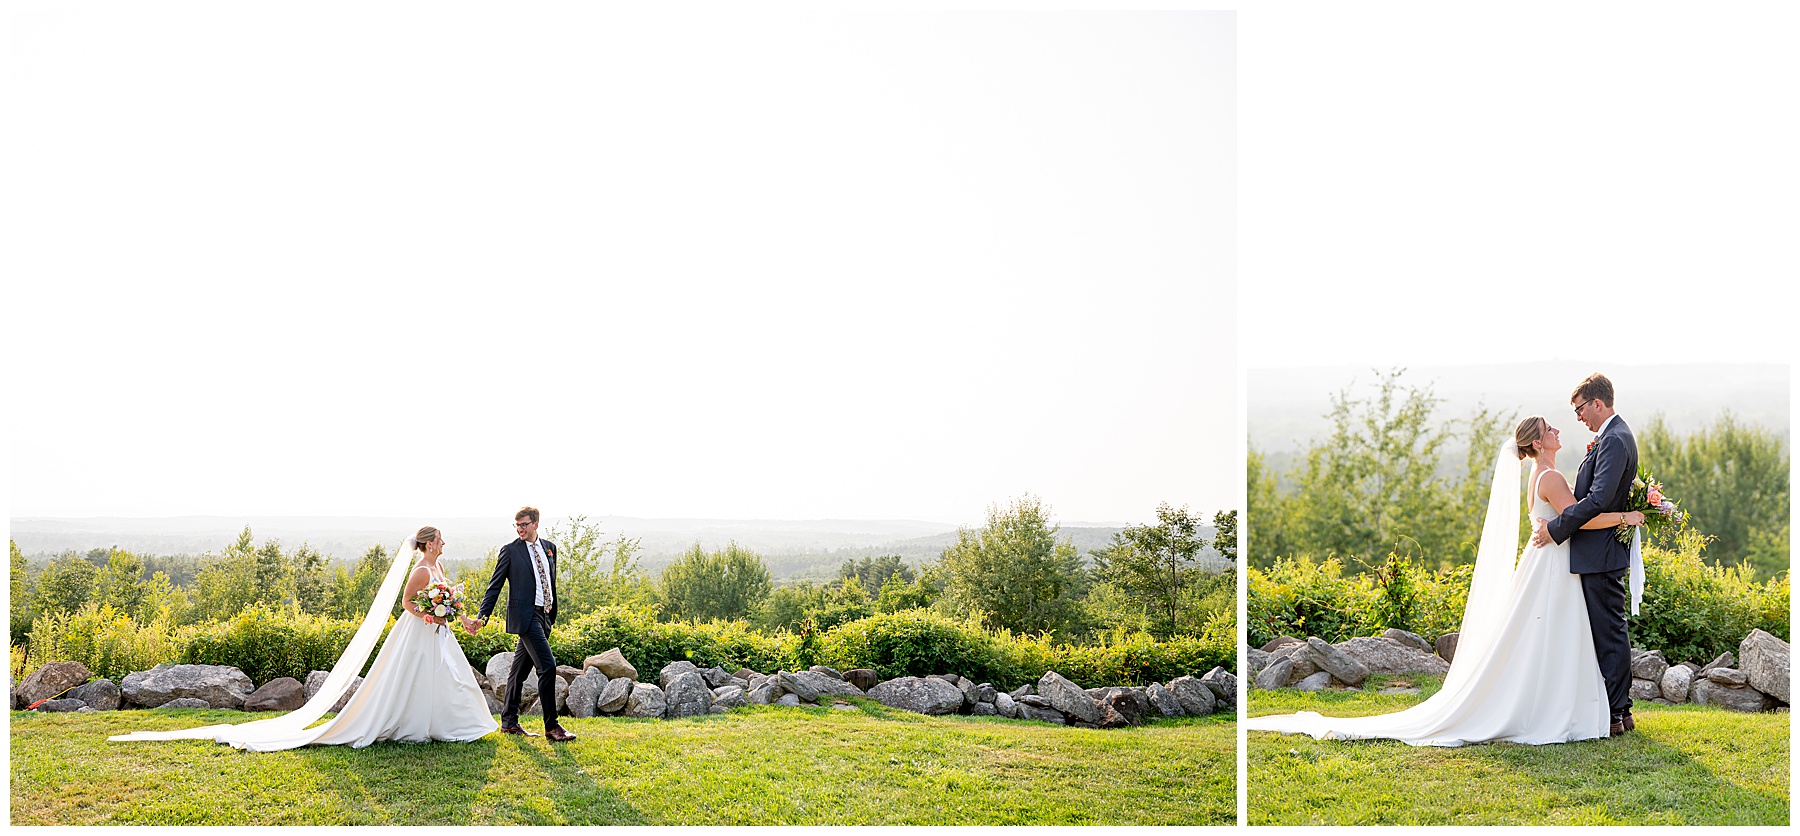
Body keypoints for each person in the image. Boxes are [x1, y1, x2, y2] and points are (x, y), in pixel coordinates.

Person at [1244, 413, 1644, 746]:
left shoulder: (1540, 475)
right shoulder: (1551, 478)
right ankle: (1557, 709)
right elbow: (1584, 519)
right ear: (1538, 444)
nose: (1558, 430)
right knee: (1553, 636)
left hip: (1546, 561)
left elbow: (1569, 517)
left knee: (1543, 638)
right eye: (1550, 429)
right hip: (1554, 566)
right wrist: (1631, 516)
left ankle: (1562, 705)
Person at [110, 526, 498, 751]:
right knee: (411, 679)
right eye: (440, 541)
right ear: (429, 543)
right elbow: (406, 605)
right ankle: (411, 724)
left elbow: (446, 601)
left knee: (450, 678)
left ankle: (454, 723)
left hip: (439, 634)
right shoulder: (419, 571)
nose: (444, 545)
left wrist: (458, 617)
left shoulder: (439, 567)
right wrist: (432, 613)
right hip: (418, 634)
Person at [1530, 373, 1641, 735]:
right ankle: (1616, 711)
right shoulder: (1610, 437)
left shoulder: (1614, 439)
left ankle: (1616, 713)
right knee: (1606, 633)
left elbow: (1595, 501)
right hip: (1595, 552)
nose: (1578, 418)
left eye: (1580, 409)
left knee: (1610, 634)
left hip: (1601, 552)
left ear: (1597, 403)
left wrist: (1555, 529)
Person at [469, 506, 575, 741]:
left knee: (518, 672)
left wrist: (551, 613)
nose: (520, 529)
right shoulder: (510, 551)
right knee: (547, 666)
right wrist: (482, 618)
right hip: (526, 617)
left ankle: (508, 722)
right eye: (517, 525)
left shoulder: (550, 548)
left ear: (536, 524)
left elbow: (549, 581)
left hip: (545, 615)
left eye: (524, 524)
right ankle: (552, 727)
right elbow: (494, 587)